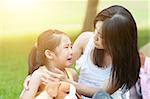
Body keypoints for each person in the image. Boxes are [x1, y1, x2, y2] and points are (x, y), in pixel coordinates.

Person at [23, 5, 141, 99]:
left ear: (117, 41)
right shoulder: (86, 40)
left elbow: (102, 93)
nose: (94, 37)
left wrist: (68, 83)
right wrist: (35, 77)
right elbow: (59, 60)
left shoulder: (123, 62)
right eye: (95, 30)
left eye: (101, 36)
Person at [20, 29, 80, 99]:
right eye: (66, 47)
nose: (71, 52)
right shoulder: (39, 76)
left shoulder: (72, 74)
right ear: (49, 54)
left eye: (71, 47)